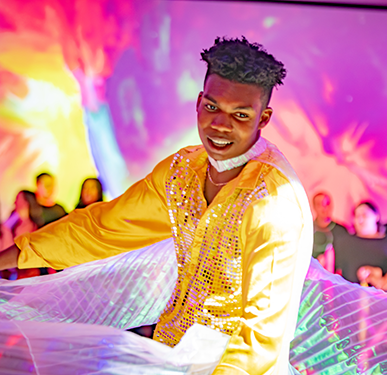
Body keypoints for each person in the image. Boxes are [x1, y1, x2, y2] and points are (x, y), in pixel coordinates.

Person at [0, 37, 312, 374]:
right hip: (170, 354)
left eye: (240, 114)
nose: (221, 125)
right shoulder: (183, 171)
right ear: (198, 102)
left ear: (263, 118)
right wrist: (13, 256)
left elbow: (261, 338)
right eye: (212, 107)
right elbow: (102, 229)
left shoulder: (273, 200)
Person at [334, 201, 387, 285]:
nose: (360, 220)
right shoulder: (344, 242)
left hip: (381, 295)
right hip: (350, 295)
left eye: (364, 215)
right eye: (357, 216)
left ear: (376, 216)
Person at [3, 191, 44, 279]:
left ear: (26, 203)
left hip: (22, 274)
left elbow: (11, 249)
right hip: (9, 271)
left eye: (17, 200)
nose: (14, 203)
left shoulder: (30, 227)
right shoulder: (13, 222)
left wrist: (6, 230)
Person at [312, 192, 347, 273]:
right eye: (320, 204)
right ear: (314, 207)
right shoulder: (308, 230)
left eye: (327, 203)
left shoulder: (341, 231)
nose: (324, 208)